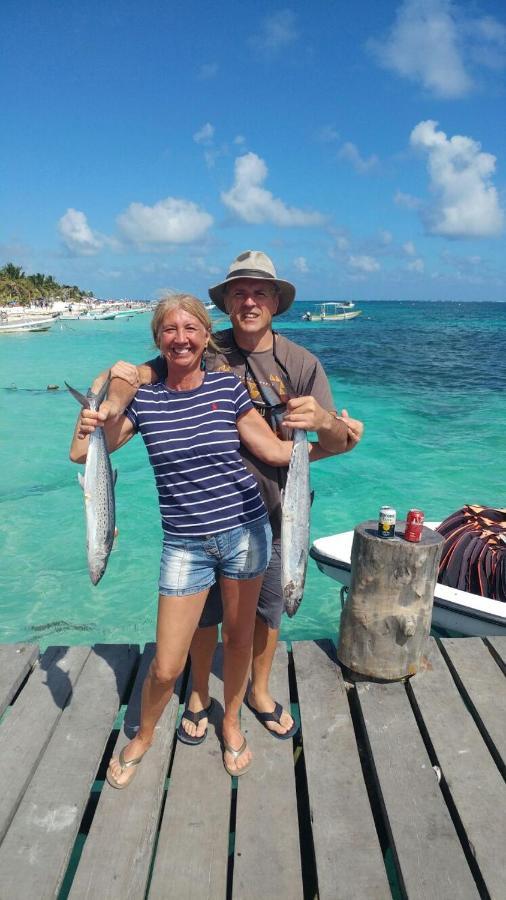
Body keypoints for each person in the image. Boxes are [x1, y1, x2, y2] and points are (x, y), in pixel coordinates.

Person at [82, 251, 364, 744]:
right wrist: (114, 383)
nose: (250, 301)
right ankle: (197, 692)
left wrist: (328, 424)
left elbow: (335, 442)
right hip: (195, 521)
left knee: (267, 612)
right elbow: (149, 375)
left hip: (275, 511)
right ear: (227, 303)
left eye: (260, 292)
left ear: (276, 300)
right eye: (239, 292)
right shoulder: (206, 346)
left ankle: (257, 692)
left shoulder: (301, 363)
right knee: (203, 618)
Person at [70, 294, 322, 785]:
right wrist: (99, 396)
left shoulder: (228, 389)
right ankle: (143, 734)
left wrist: (324, 431)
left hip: (246, 532)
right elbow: (84, 453)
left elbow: (271, 448)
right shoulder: (146, 399)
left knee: (240, 638)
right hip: (184, 546)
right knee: (165, 665)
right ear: (157, 340)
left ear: (207, 337)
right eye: (169, 330)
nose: (180, 338)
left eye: (190, 329)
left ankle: (230, 721)